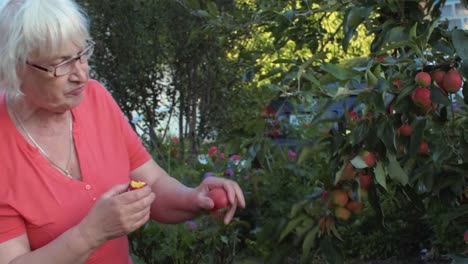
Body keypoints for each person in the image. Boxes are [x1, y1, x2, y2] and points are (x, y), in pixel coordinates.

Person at [0, 0, 246, 263]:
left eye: (82, 54)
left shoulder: (95, 99)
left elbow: (151, 183)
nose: (81, 74)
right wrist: (91, 234)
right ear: (16, 68)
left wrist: (193, 198)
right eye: (62, 64)